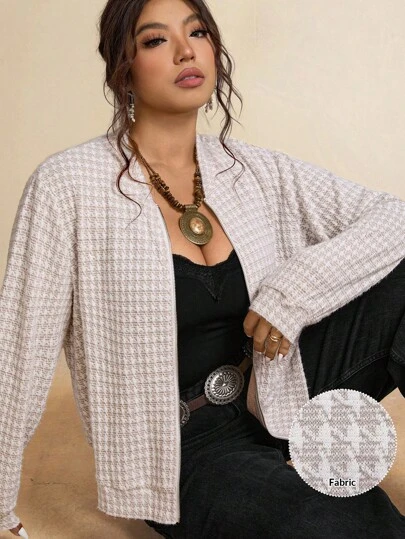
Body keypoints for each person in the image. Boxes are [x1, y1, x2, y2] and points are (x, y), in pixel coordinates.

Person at [1, 0, 405, 537]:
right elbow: (18, 356)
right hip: (188, 448)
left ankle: (306, 459)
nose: (185, 52)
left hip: (280, 391)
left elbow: (395, 219)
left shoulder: (250, 169)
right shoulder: (68, 187)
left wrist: (295, 292)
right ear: (123, 67)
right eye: (155, 40)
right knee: (338, 523)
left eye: (197, 33)